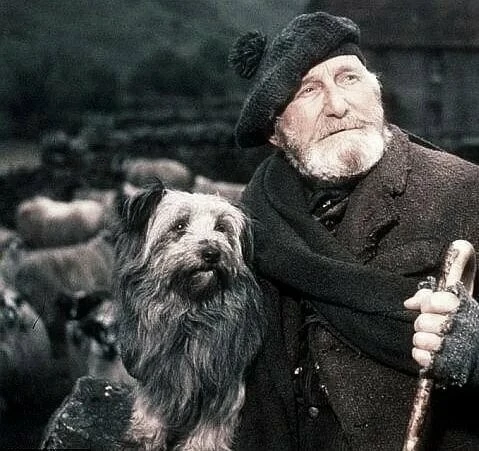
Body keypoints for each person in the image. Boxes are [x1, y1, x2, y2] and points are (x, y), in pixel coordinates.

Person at [229, 11, 479, 451]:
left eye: (349, 79)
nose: (338, 106)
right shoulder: (251, 219)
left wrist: (474, 351)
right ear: (275, 131)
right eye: (308, 90)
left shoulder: (464, 190)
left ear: (375, 90)